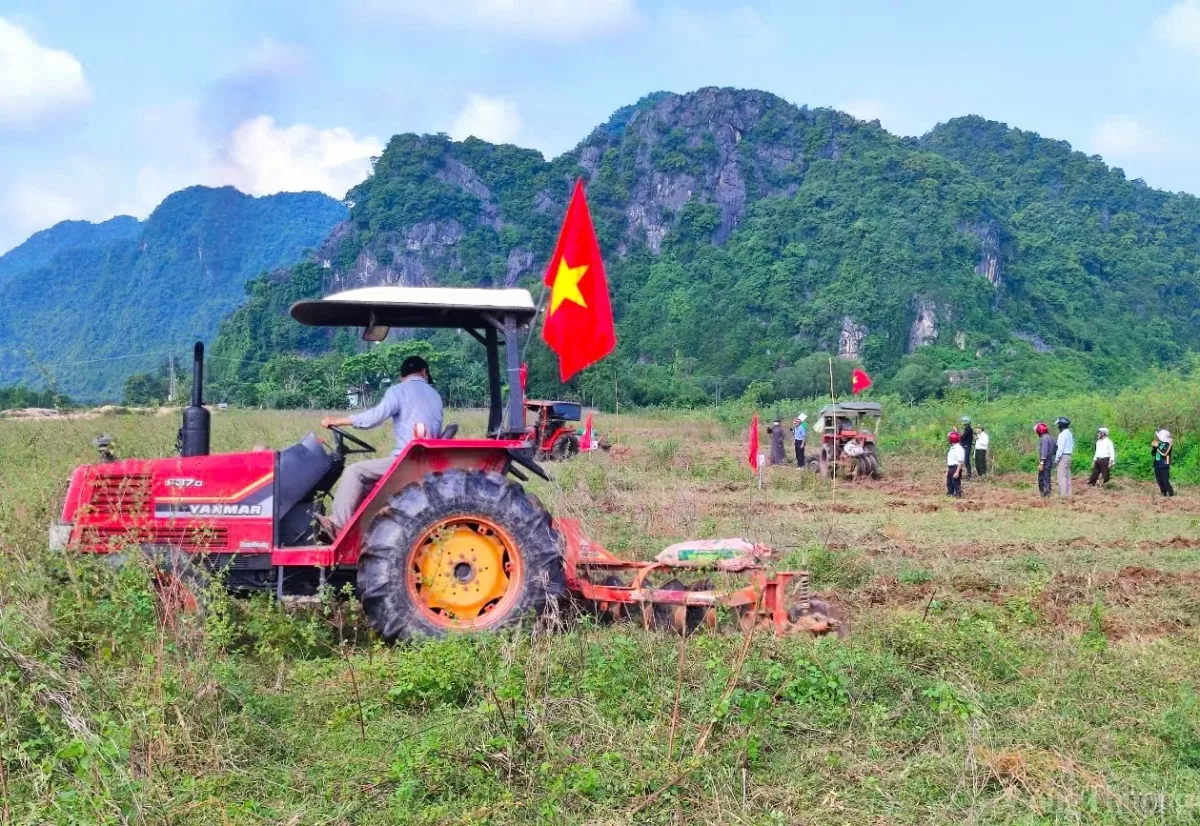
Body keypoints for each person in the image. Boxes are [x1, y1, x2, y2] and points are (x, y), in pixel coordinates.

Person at [319, 356, 444, 536]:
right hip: (423, 460)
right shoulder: (435, 396)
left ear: (401, 376)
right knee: (367, 486)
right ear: (425, 372)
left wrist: (338, 420)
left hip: (406, 461)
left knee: (355, 471)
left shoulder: (399, 390)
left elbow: (374, 418)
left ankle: (338, 526)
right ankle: (355, 530)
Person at [1054, 416, 1074, 498]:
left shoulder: (1062, 435)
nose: (1058, 426)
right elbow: (1072, 444)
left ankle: (1063, 495)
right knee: (1067, 476)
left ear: (1061, 425)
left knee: (1061, 476)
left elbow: (1060, 448)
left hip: (1063, 456)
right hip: (1069, 455)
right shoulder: (1069, 433)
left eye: (1059, 425)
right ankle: (1068, 494)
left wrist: (1056, 459)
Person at [1152, 429, 1175, 497]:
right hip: (1157, 463)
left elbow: (1164, 454)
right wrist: (1154, 447)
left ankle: (1171, 494)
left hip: (1164, 464)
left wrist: (1157, 447)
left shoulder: (1169, 444)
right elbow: (1153, 454)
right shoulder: (1160, 443)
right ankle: (1164, 493)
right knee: (1159, 480)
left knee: (1165, 480)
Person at [1036, 422, 1054, 497]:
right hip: (1049, 459)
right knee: (1046, 477)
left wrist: (1042, 462)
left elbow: (1044, 450)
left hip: (1045, 461)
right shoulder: (1050, 437)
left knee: (1043, 478)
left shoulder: (1044, 439)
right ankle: (1046, 493)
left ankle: (1045, 494)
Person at [946, 430, 965, 497]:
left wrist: (957, 472)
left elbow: (960, 461)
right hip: (951, 467)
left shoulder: (959, 449)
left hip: (955, 467)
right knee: (949, 482)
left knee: (956, 482)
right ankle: (950, 493)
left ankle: (958, 494)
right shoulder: (952, 447)